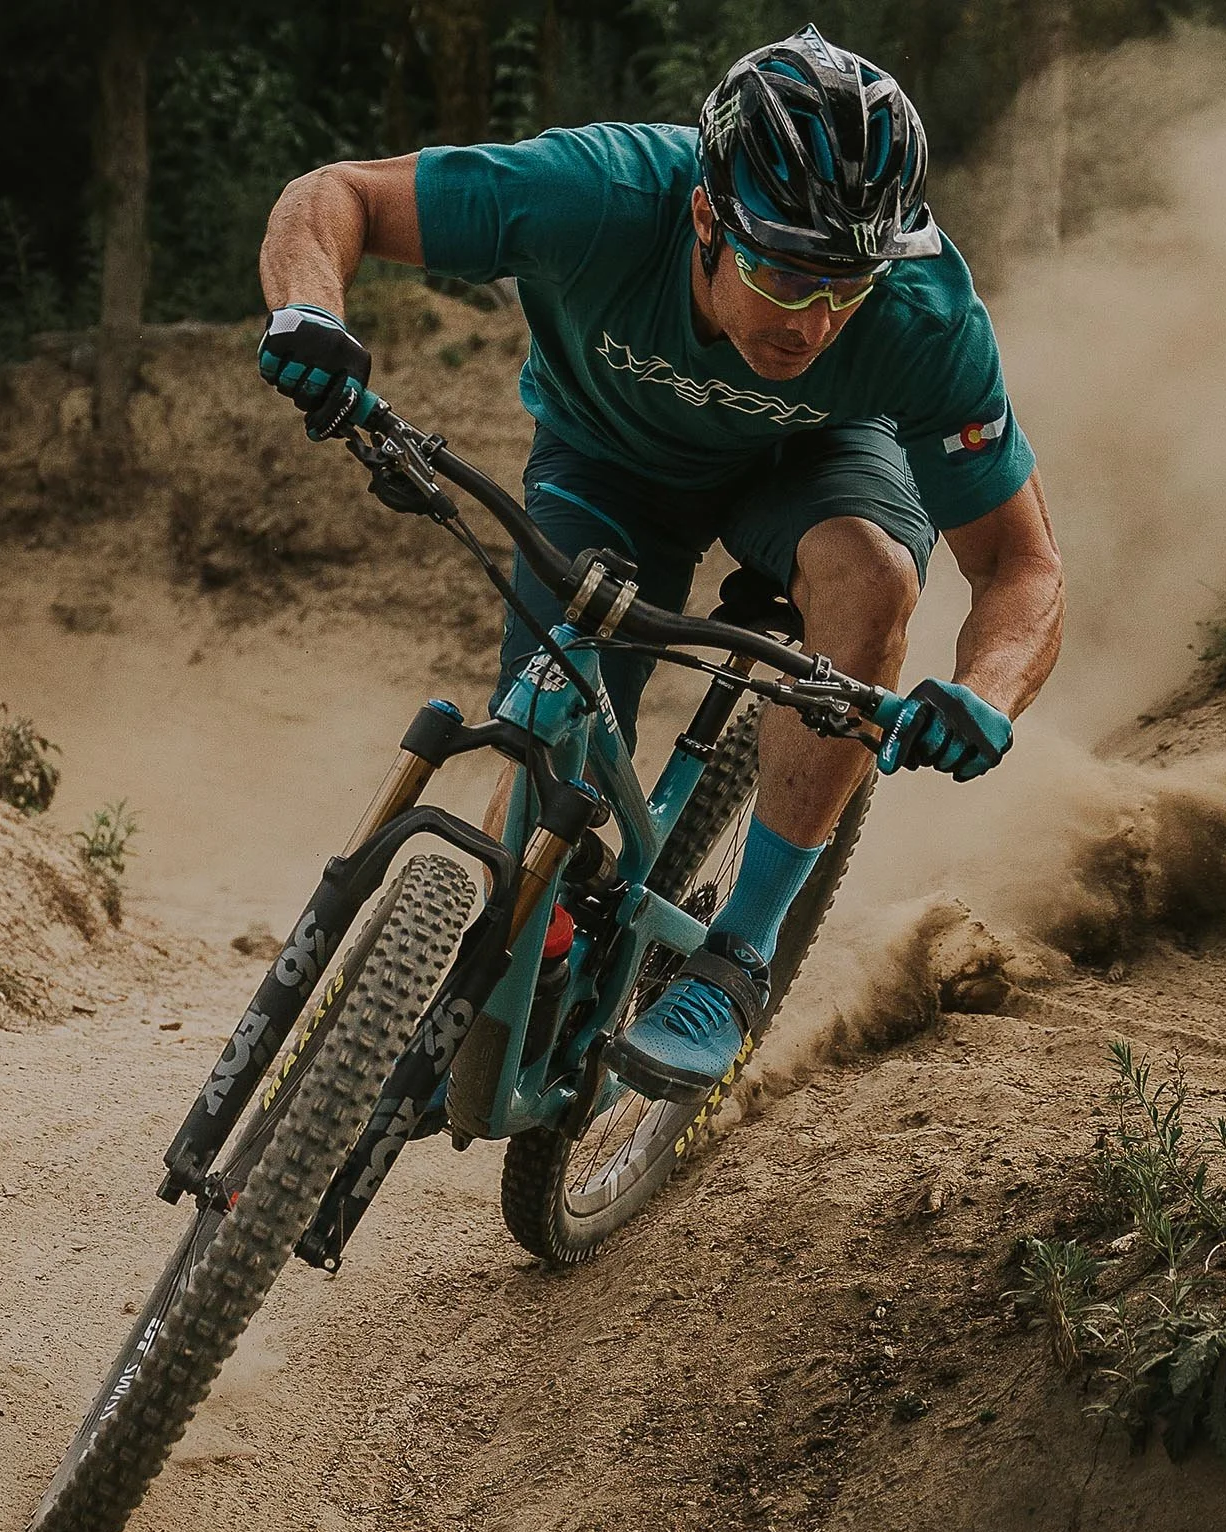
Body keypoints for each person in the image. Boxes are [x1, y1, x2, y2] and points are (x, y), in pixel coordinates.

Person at [253, 26, 1064, 1104]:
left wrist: (984, 693)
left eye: (847, 283)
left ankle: (737, 958)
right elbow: (334, 195)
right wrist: (309, 312)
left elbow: (1019, 564)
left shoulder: (923, 318)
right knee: (549, 745)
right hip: (607, 464)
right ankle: (537, 942)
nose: (814, 322)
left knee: (871, 580)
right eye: (783, 273)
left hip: (810, 465)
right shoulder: (595, 195)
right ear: (704, 218)